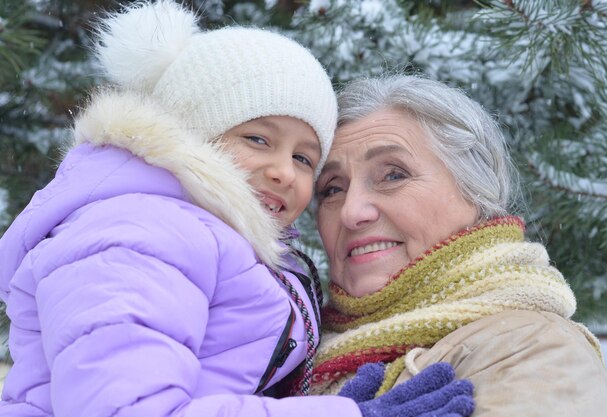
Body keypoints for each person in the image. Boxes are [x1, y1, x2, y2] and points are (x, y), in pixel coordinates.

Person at [0, 2, 476, 417]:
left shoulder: (214, 241)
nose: (284, 172)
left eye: (304, 158)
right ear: (187, 134)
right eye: (257, 139)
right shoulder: (134, 232)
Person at [311, 74, 607, 416]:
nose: (352, 212)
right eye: (332, 188)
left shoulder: (533, 346)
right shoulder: (285, 356)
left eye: (393, 174)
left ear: (476, 193)